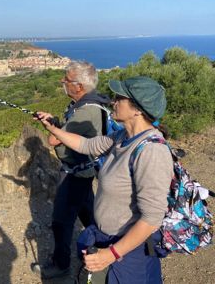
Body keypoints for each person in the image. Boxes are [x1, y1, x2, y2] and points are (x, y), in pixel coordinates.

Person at [36, 76, 173, 284]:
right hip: (110, 242)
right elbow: (86, 145)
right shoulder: (121, 137)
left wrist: (112, 254)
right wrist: (54, 129)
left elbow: (152, 219)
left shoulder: (152, 151)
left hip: (129, 254)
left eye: (119, 98)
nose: (112, 101)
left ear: (137, 109)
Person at [37, 61, 111, 280]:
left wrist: (50, 126)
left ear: (78, 86)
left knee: (61, 221)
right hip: (86, 172)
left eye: (66, 80)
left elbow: (54, 139)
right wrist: (56, 123)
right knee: (89, 214)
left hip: (75, 174)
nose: (63, 82)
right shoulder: (91, 103)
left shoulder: (84, 112)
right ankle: (104, 249)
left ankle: (61, 265)